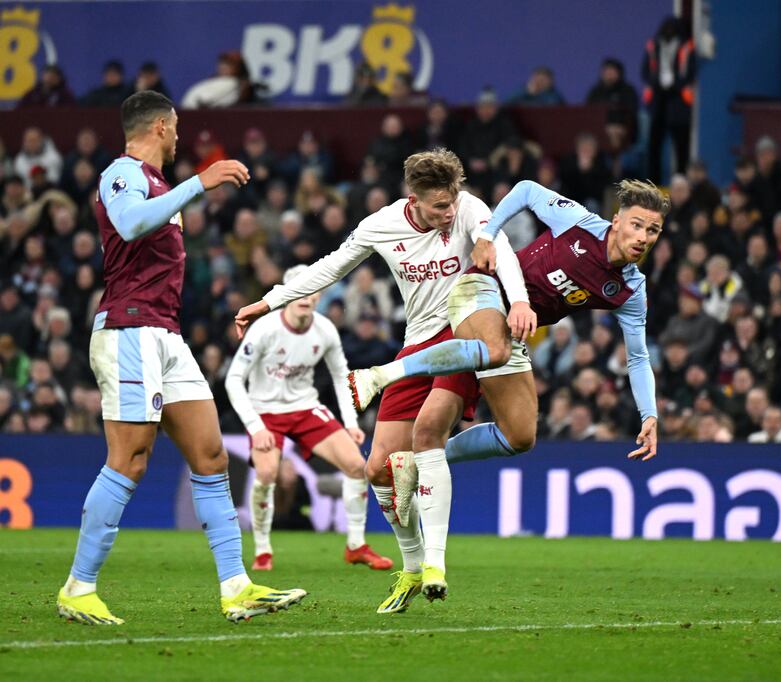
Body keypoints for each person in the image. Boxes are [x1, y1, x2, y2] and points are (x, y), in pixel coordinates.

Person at [234, 149, 529, 613]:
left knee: (429, 430)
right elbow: (329, 267)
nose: (448, 212)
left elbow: (501, 251)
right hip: (417, 344)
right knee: (376, 469)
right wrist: (269, 302)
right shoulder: (382, 225)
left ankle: (435, 564)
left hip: (464, 332)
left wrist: (519, 302)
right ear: (413, 199)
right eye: (438, 207)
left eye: (451, 202)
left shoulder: (470, 209)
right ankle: (411, 568)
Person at [57, 91, 305, 626]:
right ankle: (79, 586)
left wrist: (188, 188)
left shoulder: (161, 186)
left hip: (165, 335)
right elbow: (128, 225)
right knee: (130, 458)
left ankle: (235, 587)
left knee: (212, 456)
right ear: (163, 126)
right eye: (177, 128)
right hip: (128, 329)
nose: (180, 136)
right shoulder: (121, 174)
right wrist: (201, 182)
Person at [345, 178, 666, 542]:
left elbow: (638, 357)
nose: (643, 236)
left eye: (653, 230)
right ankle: (380, 375)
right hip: (483, 289)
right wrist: (487, 235)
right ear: (617, 221)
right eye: (637, 225)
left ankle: (419, 464)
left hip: (511, 328)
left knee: (520, 435)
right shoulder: (579, 222)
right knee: (480, 367)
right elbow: (527, 190)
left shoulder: (630, 290)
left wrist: (649, 414)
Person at [225, 265, 392, 572]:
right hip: (265, 411)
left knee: (356, 465)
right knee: (267, 473)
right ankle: (263, 551)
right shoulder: (264, 329)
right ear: (286, 295)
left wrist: (351, 423)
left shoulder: (325, 329)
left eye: (311, 289)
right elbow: (233, 380)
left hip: (304, 408)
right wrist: (255, 426)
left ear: (319, 296)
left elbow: (341, 377)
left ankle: (356, 545)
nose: (304, 295)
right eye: (297, 289)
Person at [642, 16, 696, 183]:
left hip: (678, 102)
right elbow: (645, 71)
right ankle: (654, 183)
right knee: (654, 145)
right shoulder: (653, 46)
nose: (668, 32)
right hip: (658, 100)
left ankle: (680, 181)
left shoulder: (687, 46)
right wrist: (658, 82)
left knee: (681, 145)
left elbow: (691, 72)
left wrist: (675, 83)